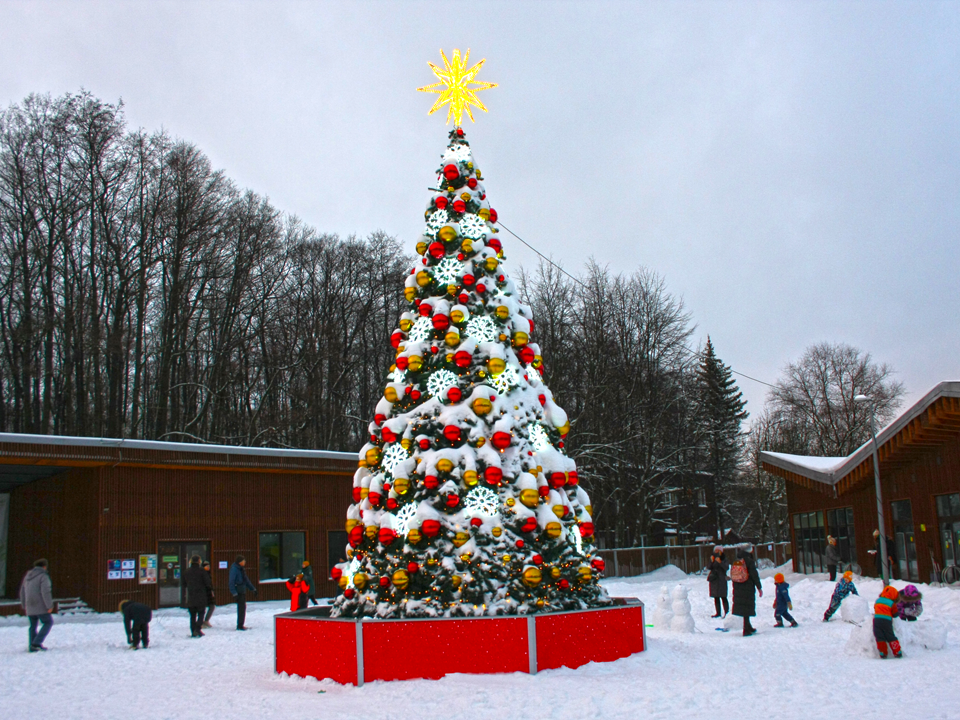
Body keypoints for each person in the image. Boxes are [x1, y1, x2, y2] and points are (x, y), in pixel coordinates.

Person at [19, 558, 54, 652]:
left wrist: (24, 604)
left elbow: (22, 591)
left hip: (29, 605)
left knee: (33, 626)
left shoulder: (27, 576)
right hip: (40, 605)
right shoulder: (43, 576)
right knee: (48, 622)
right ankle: (36, 643)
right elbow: (45, 592)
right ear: (44, 566)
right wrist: (49, 605)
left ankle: (32, 645)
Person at [731, 544, 763, 636]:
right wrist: (759, 587)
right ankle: (746, 629)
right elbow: (754, 574)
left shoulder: (737, 559)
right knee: (747, 607)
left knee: (744, 606)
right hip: (747, 585)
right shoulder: (749, 560)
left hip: (738, 586)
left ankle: (748, 626)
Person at [182, 555, 211, 638]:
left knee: (192, 615)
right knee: (201, 613)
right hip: (201, 595)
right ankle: (198, 629)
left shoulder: (187, 571)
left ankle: (193, 630)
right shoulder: (202, 571)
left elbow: (184, 584)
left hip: (191, 596)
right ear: (199, 561)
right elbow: (207, 582)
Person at [873, 585, 903, 658]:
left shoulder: (878, 600)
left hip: (877, 620)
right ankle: (897, 651)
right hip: (887, 620)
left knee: (879, 636)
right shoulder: (891, 603)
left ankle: (883, 652)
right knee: (890, 635)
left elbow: (875, 608)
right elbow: (895, 614)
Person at [229, 554, 257, 630]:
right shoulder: (234, 569)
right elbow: (231, 581)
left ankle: (241, 624)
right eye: (243, 561)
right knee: (241, 608)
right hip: (238, 591)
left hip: (242, 590)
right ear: (240, 562)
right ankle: (240, 625)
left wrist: (253, 589)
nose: (245, 562)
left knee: (242, 607)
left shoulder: (241, 569)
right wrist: (234, 593)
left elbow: (246, 580)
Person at [706, 545, 729, 618]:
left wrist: (720, 562)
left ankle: (727, 613)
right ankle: (718, 613)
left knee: (723, 596)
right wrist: (712, 562)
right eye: (715, 550)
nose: (716, 552)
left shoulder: (724, 558)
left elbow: (726, 567)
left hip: (721, 579)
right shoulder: (712, 557)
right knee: (716, 597)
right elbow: (708, 567)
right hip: (714, 579)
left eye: (718, 550)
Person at [201, 561, 216, 628]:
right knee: (202, 608)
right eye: (206, 566)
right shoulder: (202, 574)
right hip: (204, 593)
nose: (208, 567)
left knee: (212, 606)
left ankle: (206, 620)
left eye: (208, 566)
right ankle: (202, 621)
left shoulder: (208, 574)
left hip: (209, 593)